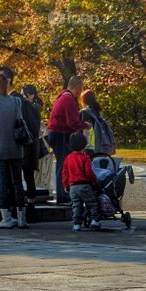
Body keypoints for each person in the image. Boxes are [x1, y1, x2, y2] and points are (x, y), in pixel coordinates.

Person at [0, 70, 28, 229]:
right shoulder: (16, 101)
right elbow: (19, 121)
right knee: (17, 182)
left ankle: (6, 218)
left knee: (3, 183)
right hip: (16, 148)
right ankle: (22, 217)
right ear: (7, 84)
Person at [46, 76, 88, 204]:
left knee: (63, 165)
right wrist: (85, 125)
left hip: (55, 133)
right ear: (76, 87)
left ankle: (64, 194)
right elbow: (72, 122)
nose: (80, 93)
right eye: (80, 89)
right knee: (63, 166)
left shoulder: (62, 96)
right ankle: (63, 195)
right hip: (61, 135)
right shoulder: (68, 99)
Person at [62, 131, 102, 232]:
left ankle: (76, 224)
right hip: (84, 185)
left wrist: (65, 184)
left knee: (76, 206)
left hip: (73, 187)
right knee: (92, 203)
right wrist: (94, 181)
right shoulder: (85, 158)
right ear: (84, 145)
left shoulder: (68, 158)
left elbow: (65, 173)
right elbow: (89, 172)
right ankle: (95, 221)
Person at [79, 90, 117, 156]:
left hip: (89, 144)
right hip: (101, 143)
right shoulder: (98, 111)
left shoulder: (84, 112)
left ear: (83, 100)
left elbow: (84, 130)